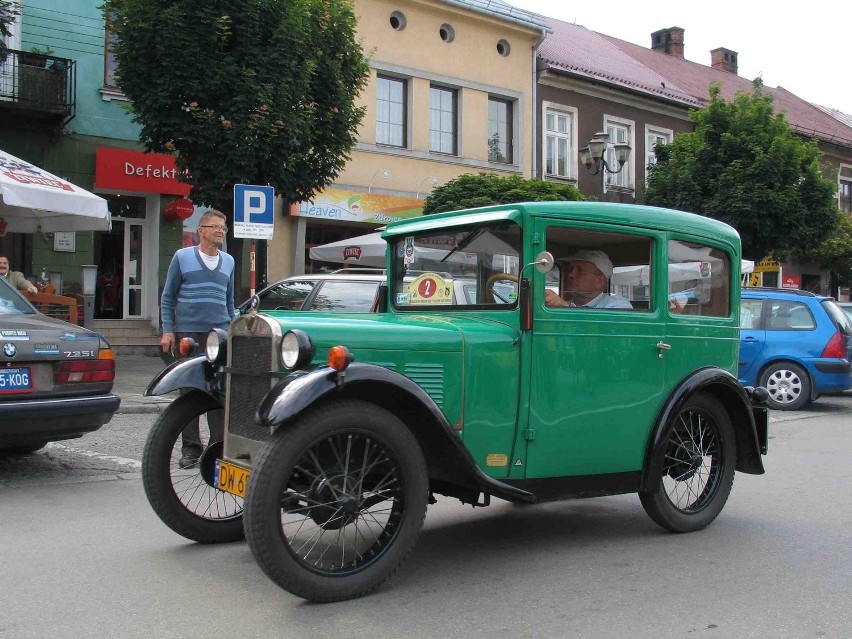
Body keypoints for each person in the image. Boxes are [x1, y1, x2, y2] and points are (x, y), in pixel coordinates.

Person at [160, 210, 236, 468]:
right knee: (190, 390)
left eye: (223, 228)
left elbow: (229, 301)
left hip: (219, 335)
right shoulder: (182, 257)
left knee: (218, 391)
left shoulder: (229, 261)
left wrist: (232, 329)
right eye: (215, 227)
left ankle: (217, 448)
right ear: (201, 231)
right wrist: (168, 330)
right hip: (188, 334)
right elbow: (168, 296)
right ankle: (191, 448)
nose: (220, 232)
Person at [545, 249, 632, 309]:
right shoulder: (567, 303)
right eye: (570, 269)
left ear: (599, 282)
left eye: (580, 270)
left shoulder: (618, 305)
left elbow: (599, 331)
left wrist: (565, 308)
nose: (571, 274)